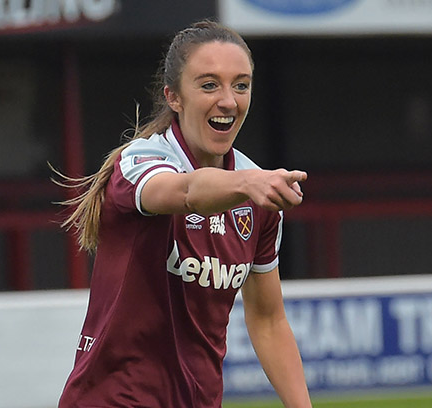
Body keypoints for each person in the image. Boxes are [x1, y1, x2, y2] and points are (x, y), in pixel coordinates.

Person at [55, 20, 312, 408]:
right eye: (209, 84)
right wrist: (247, 185)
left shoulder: (256, 196)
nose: (228, 100)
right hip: (113, 399)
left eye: (241, 85)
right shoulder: (141, 160)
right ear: (174, 97)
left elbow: (268, 320)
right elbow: (188, 191)